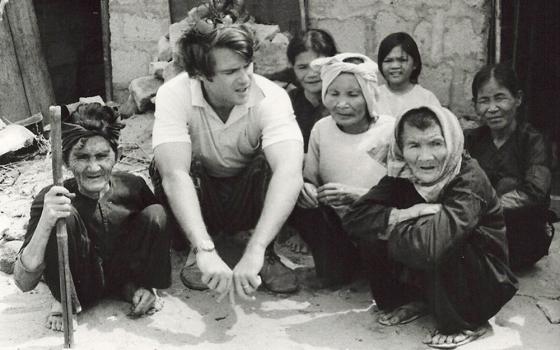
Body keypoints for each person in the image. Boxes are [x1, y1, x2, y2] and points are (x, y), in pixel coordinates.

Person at [150, 19, 304, 298]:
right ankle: (199, 248)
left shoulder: (272, 96)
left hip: (245, 191)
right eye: (231, 71)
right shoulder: (173, 94)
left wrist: (257, 248)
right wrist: (203, 248)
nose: (245, 78)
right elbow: (175, 175)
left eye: (247, 66)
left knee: (275, 161)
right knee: (166, 163)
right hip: (202, 189)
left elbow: (288, 173)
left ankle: (263, 250)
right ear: (200, 74)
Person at [343, 106, 518, 348]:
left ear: (453, 142)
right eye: (414, 145)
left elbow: (434, 246)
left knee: (436, 238)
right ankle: (414, 300)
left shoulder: (468, 179)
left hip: (482, 282)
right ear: (401, 148)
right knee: (380, 226)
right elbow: (354, 218)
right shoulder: (403, 173)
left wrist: (392, 225)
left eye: (436, 143)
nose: (425, 157)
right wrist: (405, 214)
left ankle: (468, 322)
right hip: (426, 260)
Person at [14, 103, 170, 331]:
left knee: (157, 213)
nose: (93, 167)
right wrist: (46, 221)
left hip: (124, 278)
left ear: (117, 156)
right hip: (80, 285)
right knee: (62, 217)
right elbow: (23, 282)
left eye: (102, 155)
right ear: (66, 161)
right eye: (82, 157)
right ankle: (64, 299)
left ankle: (137, 290)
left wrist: (149, 285)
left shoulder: (134, 187)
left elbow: (157, 239)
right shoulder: (51, 198)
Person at [288, 53, 394, 287]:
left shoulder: (390, 131)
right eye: (334, 94)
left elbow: (402, 191)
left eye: (353, 95)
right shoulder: (321, 130)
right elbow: (310, 177)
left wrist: (358, 195)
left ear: (368, 97)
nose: (341, 103)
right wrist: (307, 189)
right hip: (336, 225)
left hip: (376, 222)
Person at [466, 63, 554, 270]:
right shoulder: (471, 139)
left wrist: (487, 208)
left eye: (500, 98)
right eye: (484, 101)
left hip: (521, 233)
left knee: (509, 185)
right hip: (480, 227)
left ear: (518, 99)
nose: (492, 108)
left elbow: (535, 192)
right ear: (475, 105)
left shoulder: (532, 141)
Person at [287, 28, 338, 152]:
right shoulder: (287, 103)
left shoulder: (344, 100)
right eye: (302, 67)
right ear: (292, 67)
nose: (311, 74)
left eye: (318, 66)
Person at [376, 32, 441, 118]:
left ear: (415, 64)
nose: (395, 66)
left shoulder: (427, 99)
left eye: (402, 60)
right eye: (388, 61)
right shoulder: (374, 97)